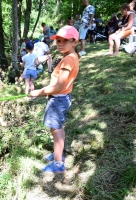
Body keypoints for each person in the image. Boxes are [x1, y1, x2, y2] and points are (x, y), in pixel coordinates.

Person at [29, 25, 79, 173]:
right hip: (62, 98)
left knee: (55, 130)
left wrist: (38, 92)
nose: (60, 44)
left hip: (58, 100)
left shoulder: (68, 60)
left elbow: (58, 87)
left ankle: (58, 164)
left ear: (75, 42)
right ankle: (59, 154)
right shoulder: (72, 57)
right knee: (59, 128)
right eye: (58, 41)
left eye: (64, 41)